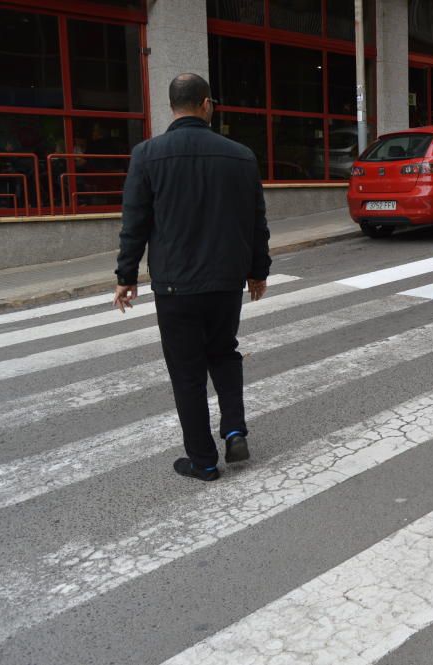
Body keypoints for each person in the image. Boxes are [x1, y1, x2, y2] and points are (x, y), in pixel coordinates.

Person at [114, 73, 271, 482]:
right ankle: (234, 427)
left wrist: (125, 275)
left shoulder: (147, 155)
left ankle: (202, 460)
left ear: (173, 106)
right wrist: (258, 271)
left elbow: (135, 222)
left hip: (175, 285)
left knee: (187, 373)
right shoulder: (240, 156)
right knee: (224, 353)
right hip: (225, 282)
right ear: (205, 104)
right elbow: (257, 220)